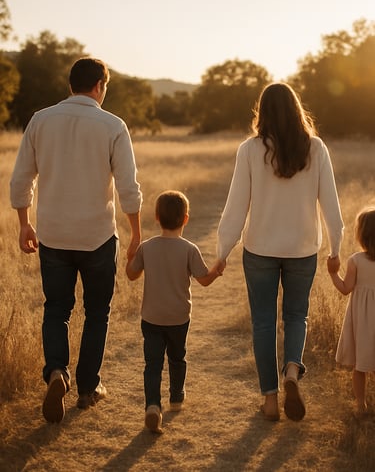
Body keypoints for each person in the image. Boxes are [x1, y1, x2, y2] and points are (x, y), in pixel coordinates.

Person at [10, 57, 142, 423]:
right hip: (98, 236)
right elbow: (129, 187)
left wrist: (24, 224)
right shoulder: (113, 125)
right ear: (100, 85)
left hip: (52, 234)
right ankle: (87, 387)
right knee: (97, 312)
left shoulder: (40, 120)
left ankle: (56, 372)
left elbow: (21, 179)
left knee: (57, 308)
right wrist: (135, 233)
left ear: (71, 85)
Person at [216, 82, 344, 422]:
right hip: (303, 249)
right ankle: (291, 370)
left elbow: (235, 207)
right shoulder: (315, 148)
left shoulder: (249, 150)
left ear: (263, 112)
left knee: (262, 323)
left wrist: (222, 251)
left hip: (259, 248)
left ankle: (270, 401)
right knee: (296, 316)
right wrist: (336, 247)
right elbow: (331, 204)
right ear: (296, 109)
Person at [126, 190, 225, 434]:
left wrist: (131, 257)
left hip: (151, 317)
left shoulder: (147, 247)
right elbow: (203, 280)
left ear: (157, 217)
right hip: (179, 318)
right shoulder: (189, 249)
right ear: (186, 219)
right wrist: (217, 269)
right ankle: (176, 398)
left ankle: (152, 405)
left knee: (152, 364)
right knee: (177, 358)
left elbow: (131, 274)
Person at [327, 207, 375, 415]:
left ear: (362, 235)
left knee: (360, 366)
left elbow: (345, 289)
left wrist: (333, 274)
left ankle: (361, 405)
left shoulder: (356, 261)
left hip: (363, 320)